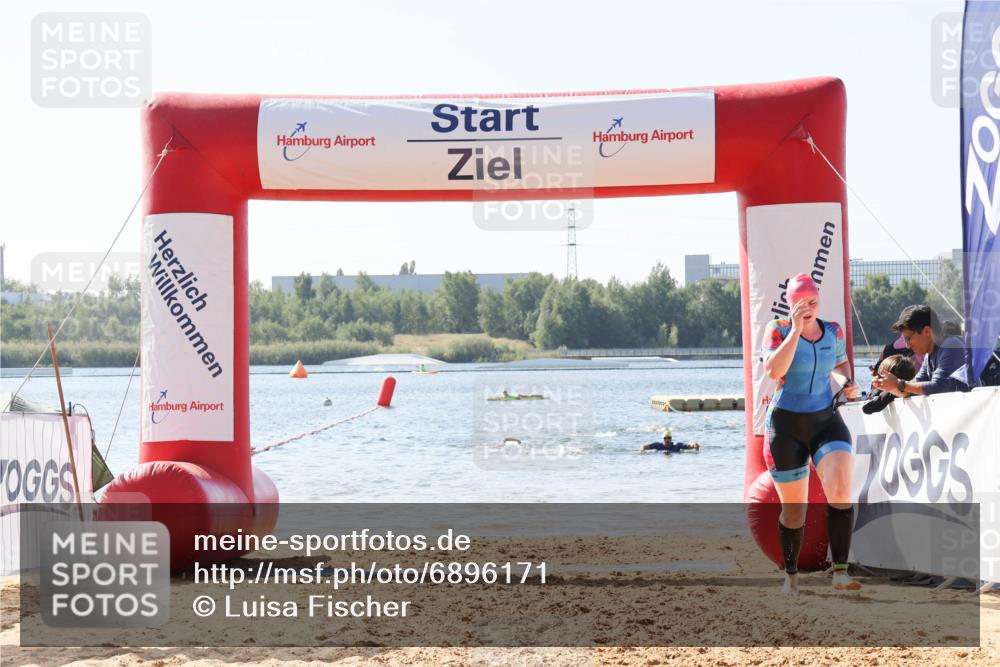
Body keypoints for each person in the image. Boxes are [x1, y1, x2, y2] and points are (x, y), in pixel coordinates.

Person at [762, 273, 860, 595]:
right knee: (795, 509)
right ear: (790, 304)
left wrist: (847, 384)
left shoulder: (833, 330)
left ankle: (841, 573)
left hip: (824, 419)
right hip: (786, 426)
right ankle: (790, 577)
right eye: (801, 303)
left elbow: (843, 366)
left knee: (842, 486)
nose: (808, 308)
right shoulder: (777, 330)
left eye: (813, 302)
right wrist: (795, 330)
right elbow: (775, 370)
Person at [872, 305, 973, 398]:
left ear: (927, 332)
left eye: (908, 338)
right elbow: (913, 387)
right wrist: (887, 386)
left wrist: (898, 383)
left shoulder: (952, 346)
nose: (907, 345)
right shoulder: (929, 355)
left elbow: (938, 387)